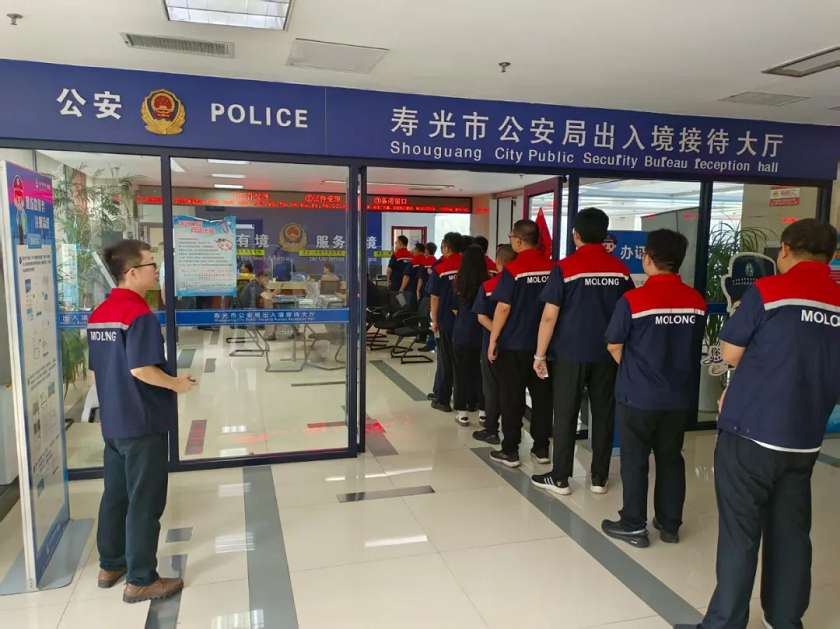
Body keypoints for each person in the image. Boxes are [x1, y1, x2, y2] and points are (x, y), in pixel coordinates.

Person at [677, 219, 840, 629]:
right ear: (830, 256)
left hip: (750, 432)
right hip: (804, 439)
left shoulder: (769, 292)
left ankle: (725, 623)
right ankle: (785, 619)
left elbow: (731, 353)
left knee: (740, 533)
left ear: (784, 249)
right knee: (791, 532)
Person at [87, 240, 195, 604]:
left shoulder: (100, 313)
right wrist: (177, 384)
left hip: (115, 422)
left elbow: (98, 370)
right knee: (145, 501)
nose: (156, 271)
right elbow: (141, 369)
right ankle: (141, 579)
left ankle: (110, 565)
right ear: (132, 272)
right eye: (152, 265)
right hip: (142, 421)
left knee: (115, 495)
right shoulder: (138, 314)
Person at [598, 230, 706, 548]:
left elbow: (614, 343)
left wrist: (634, 369)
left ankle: (633, 524)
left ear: (648, 258)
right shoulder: (696, 301)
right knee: (671, 458)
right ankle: (670, 525)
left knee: (635, 460)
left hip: (638, 396)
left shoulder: (634, 300)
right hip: (678, 397)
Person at [531, 207, 633, 495]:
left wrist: (539, 355)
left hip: (570, 353)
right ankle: (599, 478)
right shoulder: (620, 270)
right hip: (608, 354)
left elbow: (549, 316)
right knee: (603, 413)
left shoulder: (565, 268)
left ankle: (560, 477)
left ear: (575, 234)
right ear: (604, 234)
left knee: (565, 413)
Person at [487, 220, 553, 467]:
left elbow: (503, 307)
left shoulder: (513, 270)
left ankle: (511, 450)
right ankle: (541, 448)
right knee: (543, 399)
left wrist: (493, 340)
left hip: (514, 345)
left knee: (511, 398)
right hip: (545, 347)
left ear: (518, 240)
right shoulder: (553, 268)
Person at [472, 244, 517, 444]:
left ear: (498, 263)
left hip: (492, 345)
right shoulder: (520, 285)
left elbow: (481, 317)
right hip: (518, 344)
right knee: (512, 389)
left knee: (491, 388)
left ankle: (491, 429)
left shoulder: (489, 286)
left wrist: (497, 336)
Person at [452, 245, 489, 425]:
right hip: (483, 332)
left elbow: (454, 308)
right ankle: (483, 411)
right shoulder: (488, 282)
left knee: (461, 373)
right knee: (482, 373)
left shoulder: (459, 281)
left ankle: (463, 413)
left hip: (462, 332)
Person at [429, 232, 465, 413]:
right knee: (464, 362)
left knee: (445, 360)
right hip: (468, 322)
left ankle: (442, 399)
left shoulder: (441, 268)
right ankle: (465, 401)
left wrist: (434, 320)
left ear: (447, 247)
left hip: (446, 321)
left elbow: (434, 297)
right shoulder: (469, 265)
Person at [419, 242, 440, 353]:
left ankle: (430, 342)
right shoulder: (437, 262)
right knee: (430, 318)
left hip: (427, 294)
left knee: (426, 317)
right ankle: (430, 341)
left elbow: (421, 279)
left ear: (427, 250)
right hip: (433, 295)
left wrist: (417, 290)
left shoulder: (426, 262)